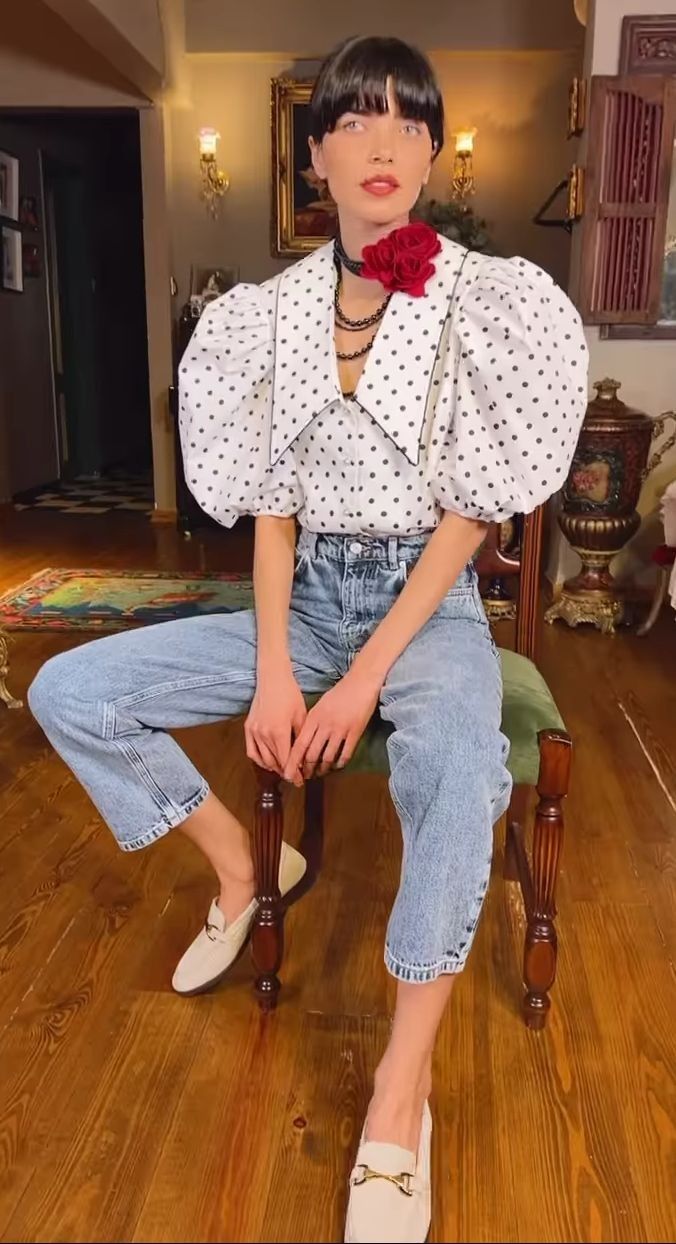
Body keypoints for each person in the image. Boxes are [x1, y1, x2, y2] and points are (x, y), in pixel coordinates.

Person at [28, 34, 588, 1244]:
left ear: (430, 154)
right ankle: (245, 869)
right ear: (316, 154)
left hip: (424, 604)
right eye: (354, 120)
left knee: (455, 765)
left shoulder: (483, 302)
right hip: (307, 598)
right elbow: (273, 515)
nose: (383, 142)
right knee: (71, 690)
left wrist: (364, 678)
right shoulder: (266, 315)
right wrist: (281, 669)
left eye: (408, 122)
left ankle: (400, 1089)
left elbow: (472, 516)